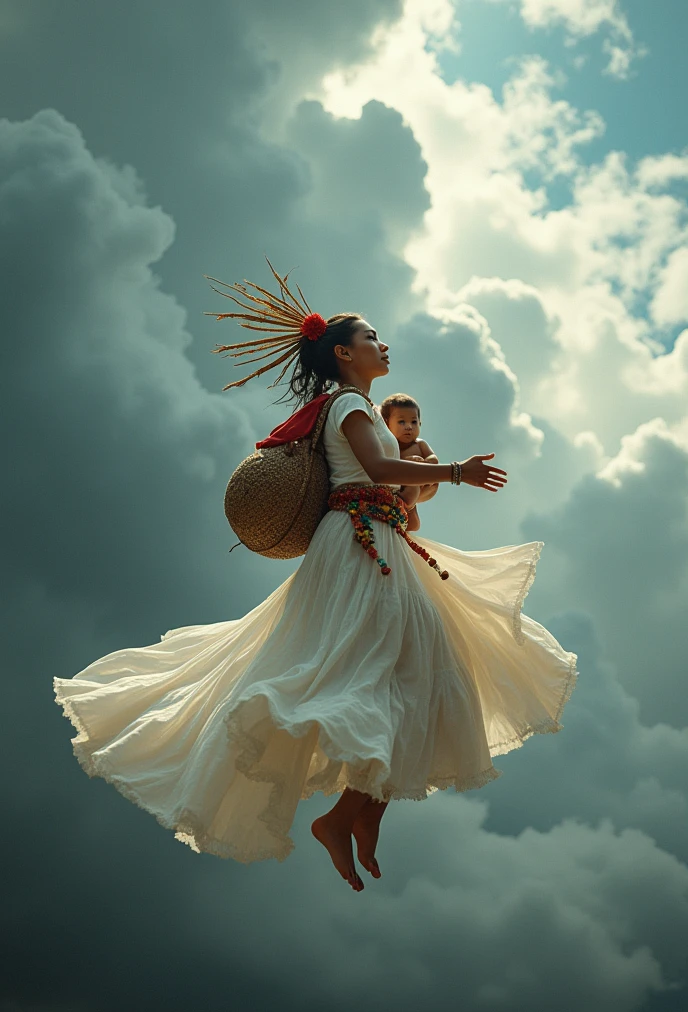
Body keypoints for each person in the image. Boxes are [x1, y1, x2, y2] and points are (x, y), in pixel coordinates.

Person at [53, 259, 578, 895]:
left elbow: (388, 475)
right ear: (344, 353)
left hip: (377, 539)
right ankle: (347, 815)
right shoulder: (352, 404)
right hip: (361, 544)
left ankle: (354, 813)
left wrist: (426, 478)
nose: (384, 345)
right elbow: (379, 468)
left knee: (415, 663)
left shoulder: (353, 404)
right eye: (372, 337)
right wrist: (453, 473)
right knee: (390, 665)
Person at [378, 392, 440, 532]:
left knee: (414, 485)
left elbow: (433, 459)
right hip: (395, 485)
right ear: (386, 424)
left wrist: (425, 463)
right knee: (410, 488)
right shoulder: (390, 446)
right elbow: (388, 465)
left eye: (413, 422)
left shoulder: (419, 444)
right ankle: (407, 513)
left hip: (415, 483)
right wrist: (407, 461)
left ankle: (406, 506)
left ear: (420, 423)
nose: (408, 427)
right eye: (401, 422)